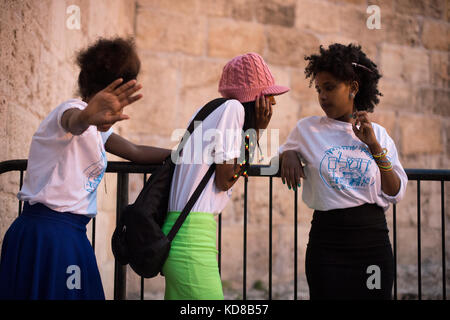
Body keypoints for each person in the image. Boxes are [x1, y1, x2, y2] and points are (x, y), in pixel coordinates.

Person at [0, 37, 171, 299]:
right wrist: (87, 116)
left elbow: (134, 151)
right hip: (50, 235)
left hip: (69, 234)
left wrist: (183, 156)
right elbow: (74, 122)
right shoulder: (72, 110)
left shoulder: (97, 129)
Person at [278, 43, 408, 300]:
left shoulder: (379, 134)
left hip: (372, 245)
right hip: (327, 245)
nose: (322, 96)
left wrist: (373, 145)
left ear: (353, 88)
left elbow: (395, 191)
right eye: (318, 89)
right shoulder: (307, 129)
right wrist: (287, 153)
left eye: (329, 87)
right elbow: (281, 152)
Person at [162, 52, 289, 300]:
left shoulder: (209, 109)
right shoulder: (232, 109)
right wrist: (257, 132)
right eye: (269, 96)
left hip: (185, 230)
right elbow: (225, 178)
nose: (273, 103)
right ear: (255, 98)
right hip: (191, 238)